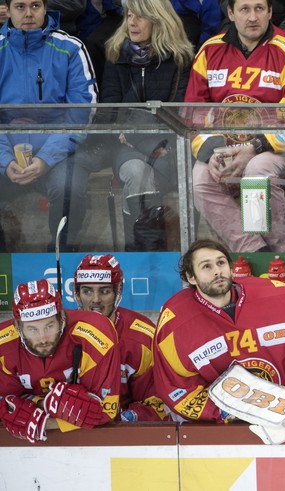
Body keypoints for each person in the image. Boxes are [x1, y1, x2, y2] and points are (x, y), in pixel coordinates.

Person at [152, 239, 285, 423]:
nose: (217, 271)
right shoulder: (175, 325)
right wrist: (230, 414)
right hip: (221, 432)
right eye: (206, 266)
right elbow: (178, 389)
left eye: (221, 263)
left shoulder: (283, 298)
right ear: (190, 277)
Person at [185, 0, 285, 253]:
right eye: (244, 9)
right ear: (231, 13)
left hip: (278, 154)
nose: (253, 17)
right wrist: (212, 151)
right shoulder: (209, 52)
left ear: (270, 12)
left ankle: (279, 258)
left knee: (257, 170)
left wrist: (253, 148)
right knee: (200, 178)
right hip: (226, 149)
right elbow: (193, 114)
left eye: (259, 9)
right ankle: (255, 252)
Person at [0, 0, 98, 252]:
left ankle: (59, 256)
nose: (29, 14)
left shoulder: (71, 48)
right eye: (20, 7)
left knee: (70, 189)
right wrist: (4, 160)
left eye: (35, 6)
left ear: (46, 9)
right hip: (6, 155)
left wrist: (45, 158)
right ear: (8, 10)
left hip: (60, 156)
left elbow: (82, 113)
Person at [101, 0, 194, 251]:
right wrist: (134, 130)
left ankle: (156, 256)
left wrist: (137, 130)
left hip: (167, 145)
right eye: (129, 16)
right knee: (136, 171)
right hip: (127, 147)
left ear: (159, 19)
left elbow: (176, 114)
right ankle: (143, 253)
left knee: (155, 170)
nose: (132, 22)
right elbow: (111, 113)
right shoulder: (115, 56)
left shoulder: (180, 59)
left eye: (141, 16)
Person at [0, 279, 120, 443]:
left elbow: (105, 410)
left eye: (49, 326)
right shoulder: (3, 345)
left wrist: (42, 421)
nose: (43, 338)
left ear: (62, 319)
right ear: (17, 328)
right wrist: (44, 403)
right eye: (32, 330)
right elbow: (7, 405)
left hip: (89, 443)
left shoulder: (96, 335)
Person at [74, 254, 166, 422]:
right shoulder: (59, 331)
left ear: (119, 291)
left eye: (105, 291)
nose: (95, 300)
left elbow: (158, 403)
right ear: (77, 293)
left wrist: (124, 419)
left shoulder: (142, 338)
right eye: (87, 291)